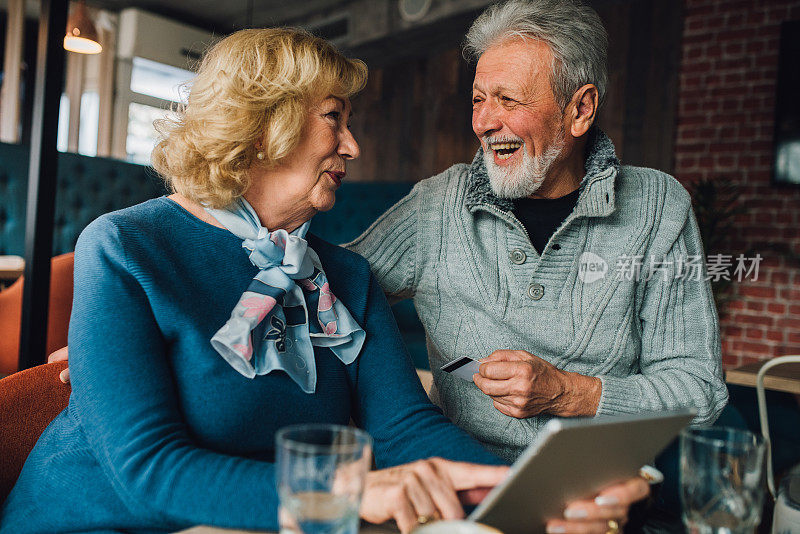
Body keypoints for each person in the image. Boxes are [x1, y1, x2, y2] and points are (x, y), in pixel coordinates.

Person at [1, 28, 647, 534]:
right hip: (98, 522)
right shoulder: (124, 249)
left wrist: (546, 491)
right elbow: (148, 470)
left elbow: (405, 432)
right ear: (262, 127)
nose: (353, 145)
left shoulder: (344, 275)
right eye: (334, 117)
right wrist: (346, 490)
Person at [346, 0, 729, 464]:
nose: (485, 122)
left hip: (593, 486)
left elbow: (700, 390)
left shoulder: (657, 207)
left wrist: (571, 393)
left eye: (508, 100)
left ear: (580, 109)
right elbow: (331, 285)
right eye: (478, 99)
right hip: (457, 475)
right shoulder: (438, 205)